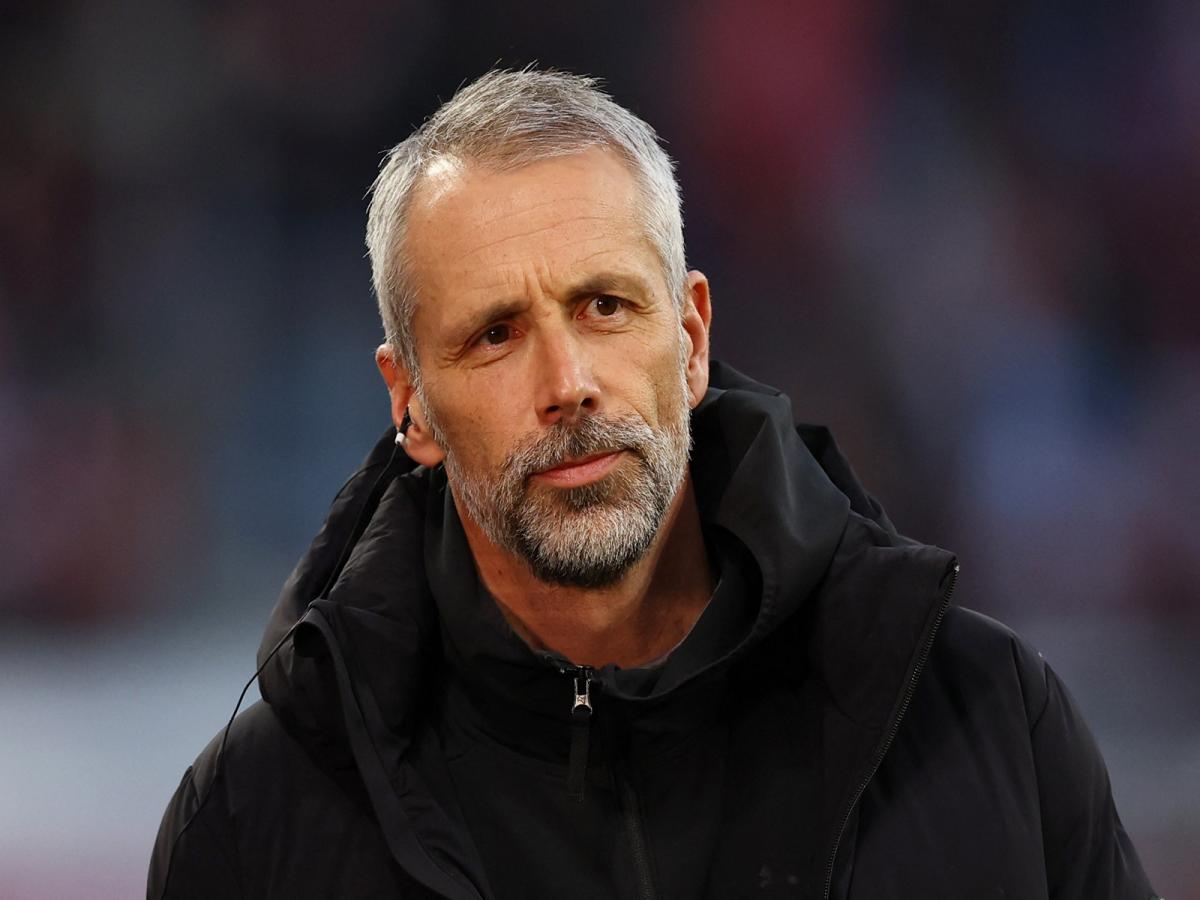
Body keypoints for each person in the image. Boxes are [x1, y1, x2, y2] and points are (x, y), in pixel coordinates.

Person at [148, 69, 1158, 900]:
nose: (567, 384)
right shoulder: (253, 823)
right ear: (408, 403)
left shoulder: (990, 722)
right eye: (496, 335)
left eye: (605, 306)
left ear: (691, 338)